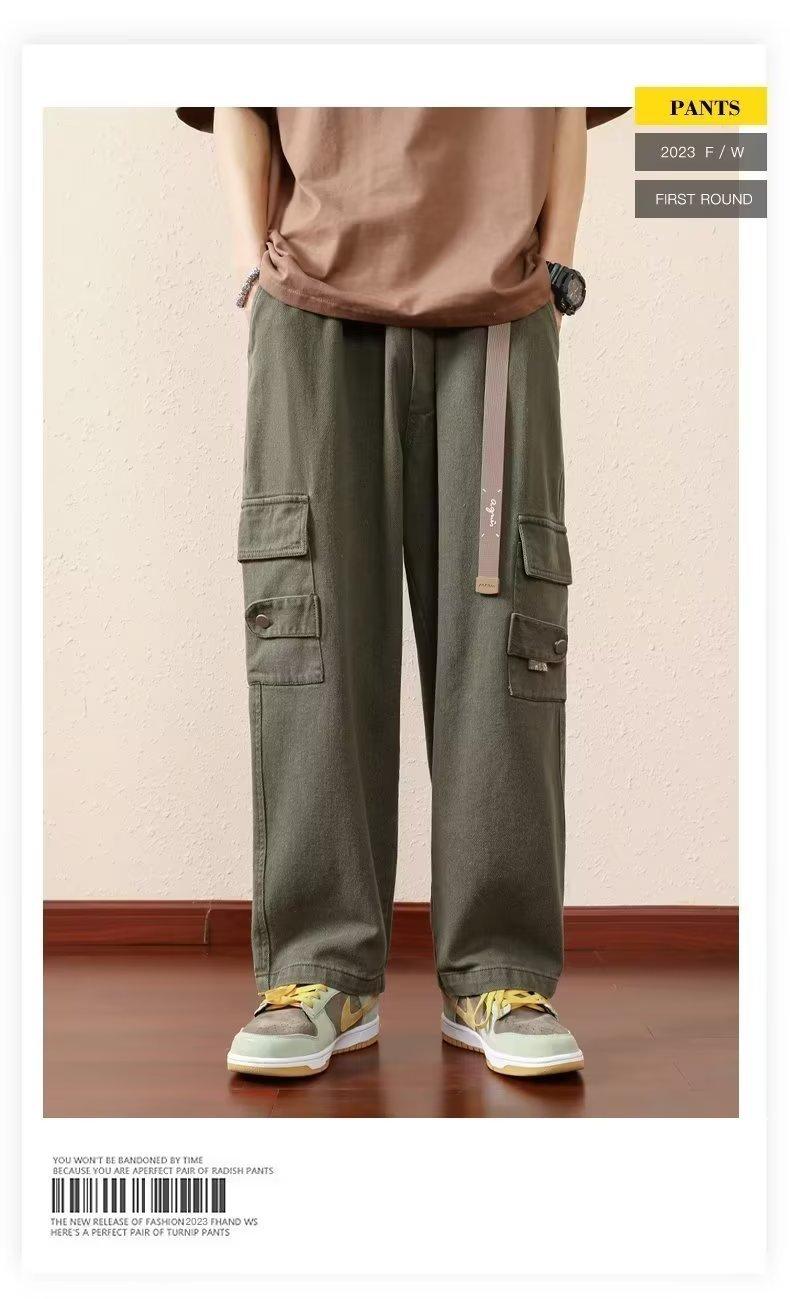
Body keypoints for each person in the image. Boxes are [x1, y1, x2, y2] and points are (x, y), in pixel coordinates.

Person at [177, 106, 627, 1079]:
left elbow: (565, 87)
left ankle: (499, 974)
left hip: (497, 305)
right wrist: (253, 266)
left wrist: (557, 266)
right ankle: (318, 971)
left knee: (504, 635)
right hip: (311, 303)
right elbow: (236, 91)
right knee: (312, 629)